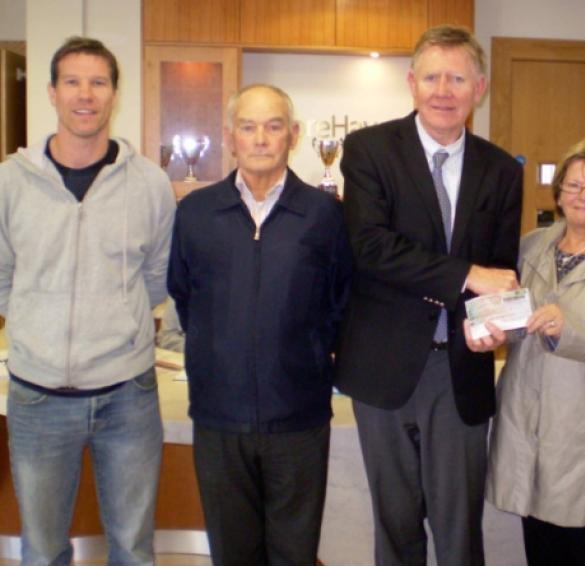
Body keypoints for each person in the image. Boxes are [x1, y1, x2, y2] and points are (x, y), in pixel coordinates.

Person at [334, 25, 523, 565]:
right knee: (394, 526)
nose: (445, 90)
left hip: (460, 369)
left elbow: (502, 270)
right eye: (433, 77)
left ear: (478, 87)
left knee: (460, 527)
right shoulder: (368, 149)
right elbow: (371, 247)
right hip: (383, 366)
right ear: (412, 83)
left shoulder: (500, 169)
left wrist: (495, 326)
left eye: (458, 78)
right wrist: (467, 275)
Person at [0, 36, 174, 564]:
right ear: (52, 92)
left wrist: (113, 323)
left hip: (128, 395)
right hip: (37, 397)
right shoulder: (11, 182)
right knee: (44, 549)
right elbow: (4, 277)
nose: (86, 94)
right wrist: (40, 324)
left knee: (133, 547)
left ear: (114, 94)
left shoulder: (149, 183)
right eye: (73, 81)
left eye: (98, 82)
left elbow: (157, 276)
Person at [168, 83, 352, 565]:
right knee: (232, 554)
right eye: (248, 127)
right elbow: (184, 297)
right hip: (219, 418)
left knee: (295, 554)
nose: (261, 138)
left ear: (292, 135)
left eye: (273, 127)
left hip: (298, 420)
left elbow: (339, 302)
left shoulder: (324, 215)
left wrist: (305, 360)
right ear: (230, 136)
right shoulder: (195, 213)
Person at [468, 138, 585, 565]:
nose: (583, 197)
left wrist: (567, 326)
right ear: (558, 194)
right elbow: (518, 323)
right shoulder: (531, 246)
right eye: (573, 186)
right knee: (544, 551)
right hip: (533, 429)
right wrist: (493, 333)